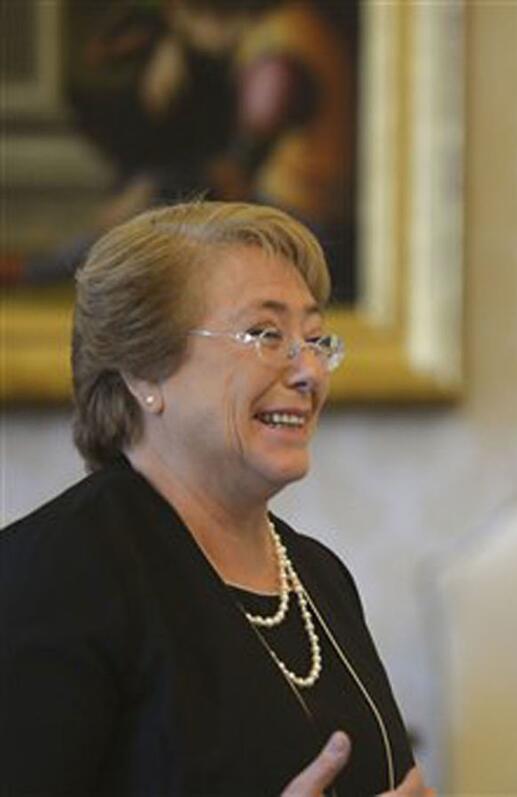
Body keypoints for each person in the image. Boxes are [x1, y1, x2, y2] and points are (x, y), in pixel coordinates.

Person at [0, 201, 431, 795]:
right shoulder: (52, 573)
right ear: (144, 371)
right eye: (265, 334)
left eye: (315, 338)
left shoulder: (319, 577)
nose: (309, 371)